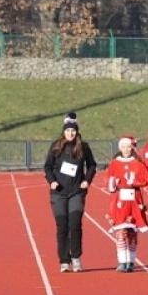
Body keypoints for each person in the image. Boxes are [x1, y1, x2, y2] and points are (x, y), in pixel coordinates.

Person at [42, 112, 96, 272]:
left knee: (75, 224)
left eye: (73, 130)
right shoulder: (56, 146)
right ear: (63, 131)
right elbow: (47, 167)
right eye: (67, 130)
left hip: (76, 192)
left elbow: (92, 165)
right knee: (62, 226)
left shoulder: (83, 147)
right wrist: (52, 181)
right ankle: (64, 261)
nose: (70, 133)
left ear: (76, 131)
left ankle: (76, 257)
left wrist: (87, 180)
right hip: (59, 193)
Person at [103, 135, 148, 272]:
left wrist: (135, 182)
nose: (126, 149)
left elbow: (146, 178)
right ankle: (122, 261)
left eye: (128, 147)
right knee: (121, 231)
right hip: (119, 200)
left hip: (134, 200)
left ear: (132, 148)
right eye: (123, 147)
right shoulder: (114, 163)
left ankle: (131, 260)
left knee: (132, 231)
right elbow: (107, 179)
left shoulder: (138, 163)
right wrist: (113, 182)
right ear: (120, 148)